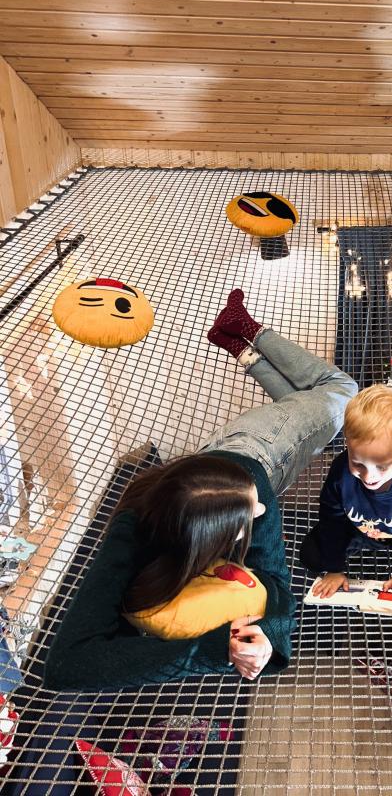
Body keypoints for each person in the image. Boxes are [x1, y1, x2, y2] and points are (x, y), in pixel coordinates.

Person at [44, 289, 357, 691]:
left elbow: (277, 584)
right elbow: (67, 665)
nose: (262, 513)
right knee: (314, 407)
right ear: (206, 540)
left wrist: (266, 636)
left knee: (343, 391)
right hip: (218, 464)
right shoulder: (139, 527)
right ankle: (240, 344)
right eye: (248, 518)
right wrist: (216, 649)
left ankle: (246, 329)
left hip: (259, 448)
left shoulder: (253, 494)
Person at [300, 385, 392, 602]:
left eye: (382, 466)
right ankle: (348, 556)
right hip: (355, 530)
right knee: (310, 556)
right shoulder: (341, 471)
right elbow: (331, 519)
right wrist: (334, 569)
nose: (369, 477)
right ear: (348, 445)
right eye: (358, 464)